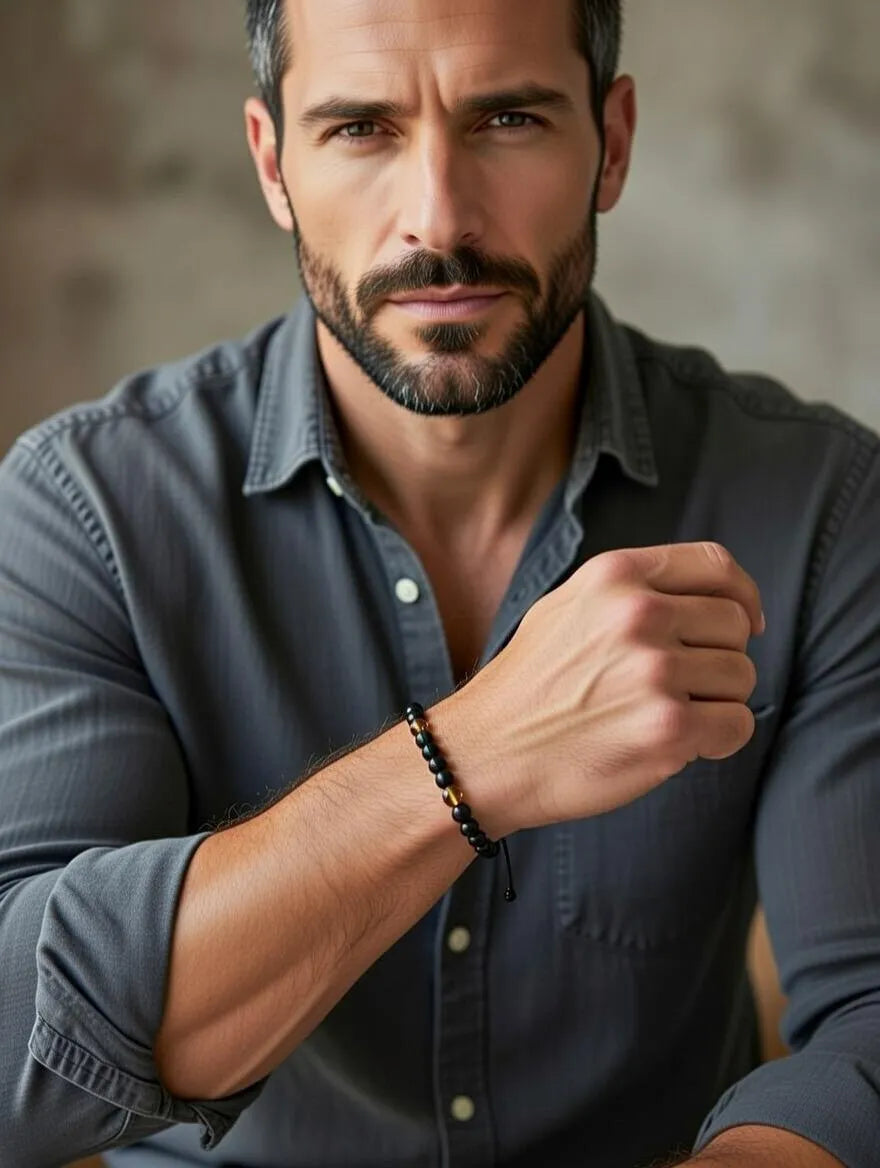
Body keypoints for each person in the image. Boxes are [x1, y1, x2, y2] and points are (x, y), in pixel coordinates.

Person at [0, 0, 877, 1164]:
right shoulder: (87, 509)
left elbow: (868, 1016)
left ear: (612, 143)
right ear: (273, 163)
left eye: (508, 119)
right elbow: (17, 1058)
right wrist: (471, 758)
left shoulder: (821, 504)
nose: (438, 218)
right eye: (360, 128)